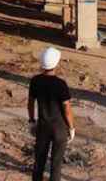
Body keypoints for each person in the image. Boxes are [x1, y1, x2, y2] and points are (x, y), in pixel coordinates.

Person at [28, 47, 75, 181]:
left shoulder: (35, 81)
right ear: (56, 63)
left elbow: (30, 102)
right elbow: (67, 109)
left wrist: (32, 121)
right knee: (56, 163)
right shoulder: (61, 84)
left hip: (43, 126)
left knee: (39, 161)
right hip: (59, 128)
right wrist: (71, 127)